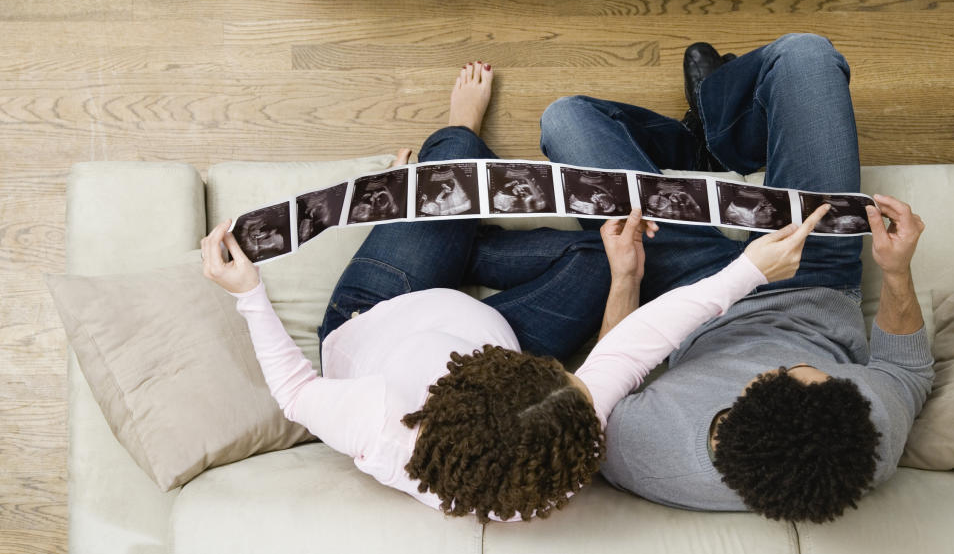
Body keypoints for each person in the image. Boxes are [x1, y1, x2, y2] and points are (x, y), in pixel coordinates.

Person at [201, 60, 828, 523]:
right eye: (570, 379)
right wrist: (735, 270)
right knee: (600, 253)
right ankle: (446, 230)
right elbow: (638, 344)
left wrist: (248, 291)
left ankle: (443, 196)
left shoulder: (373, 425)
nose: (581, 378)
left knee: (453, 163)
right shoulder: (558, 445)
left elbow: (293, 392)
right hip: (494, 324)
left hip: (382, 307)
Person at [538, 34, 933, 523]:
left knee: (567, 119)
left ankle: (697, 147)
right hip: (816, 275)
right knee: (806, 55)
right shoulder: (865, 433)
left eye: (787, 369)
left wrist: (626, 279)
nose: (795, 360)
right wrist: (896, 271)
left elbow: (608, 375)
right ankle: (724, 131)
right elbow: (908, 371)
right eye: (819, 371)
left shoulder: (646, 455)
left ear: (744, 395)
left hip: (694, 294)